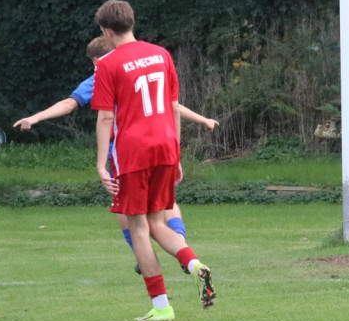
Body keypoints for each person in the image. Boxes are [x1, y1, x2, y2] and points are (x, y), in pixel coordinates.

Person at [13, 35, 219, 274]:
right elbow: (173, 105)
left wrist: (36, 117)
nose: (95, 67)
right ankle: (183, 248)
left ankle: (144, 258)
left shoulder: (105, 74)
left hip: (126, 154)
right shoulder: (150, 62)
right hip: (160, 147)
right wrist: (202, 120)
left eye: (95, 62)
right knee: (166, 202)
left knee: (127, 211)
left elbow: (71, 105)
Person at [91, 0, 214, 321]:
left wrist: (101, 163)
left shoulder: (107, 64)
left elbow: (106, 119)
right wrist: (176, 154)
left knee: (139, 228)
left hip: (134, 152)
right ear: (131, 21)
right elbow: (172, 106)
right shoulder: (161, 54)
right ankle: (193, 263)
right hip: (165, 148)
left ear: (105, 30)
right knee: (158, 222)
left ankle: (162, 306)